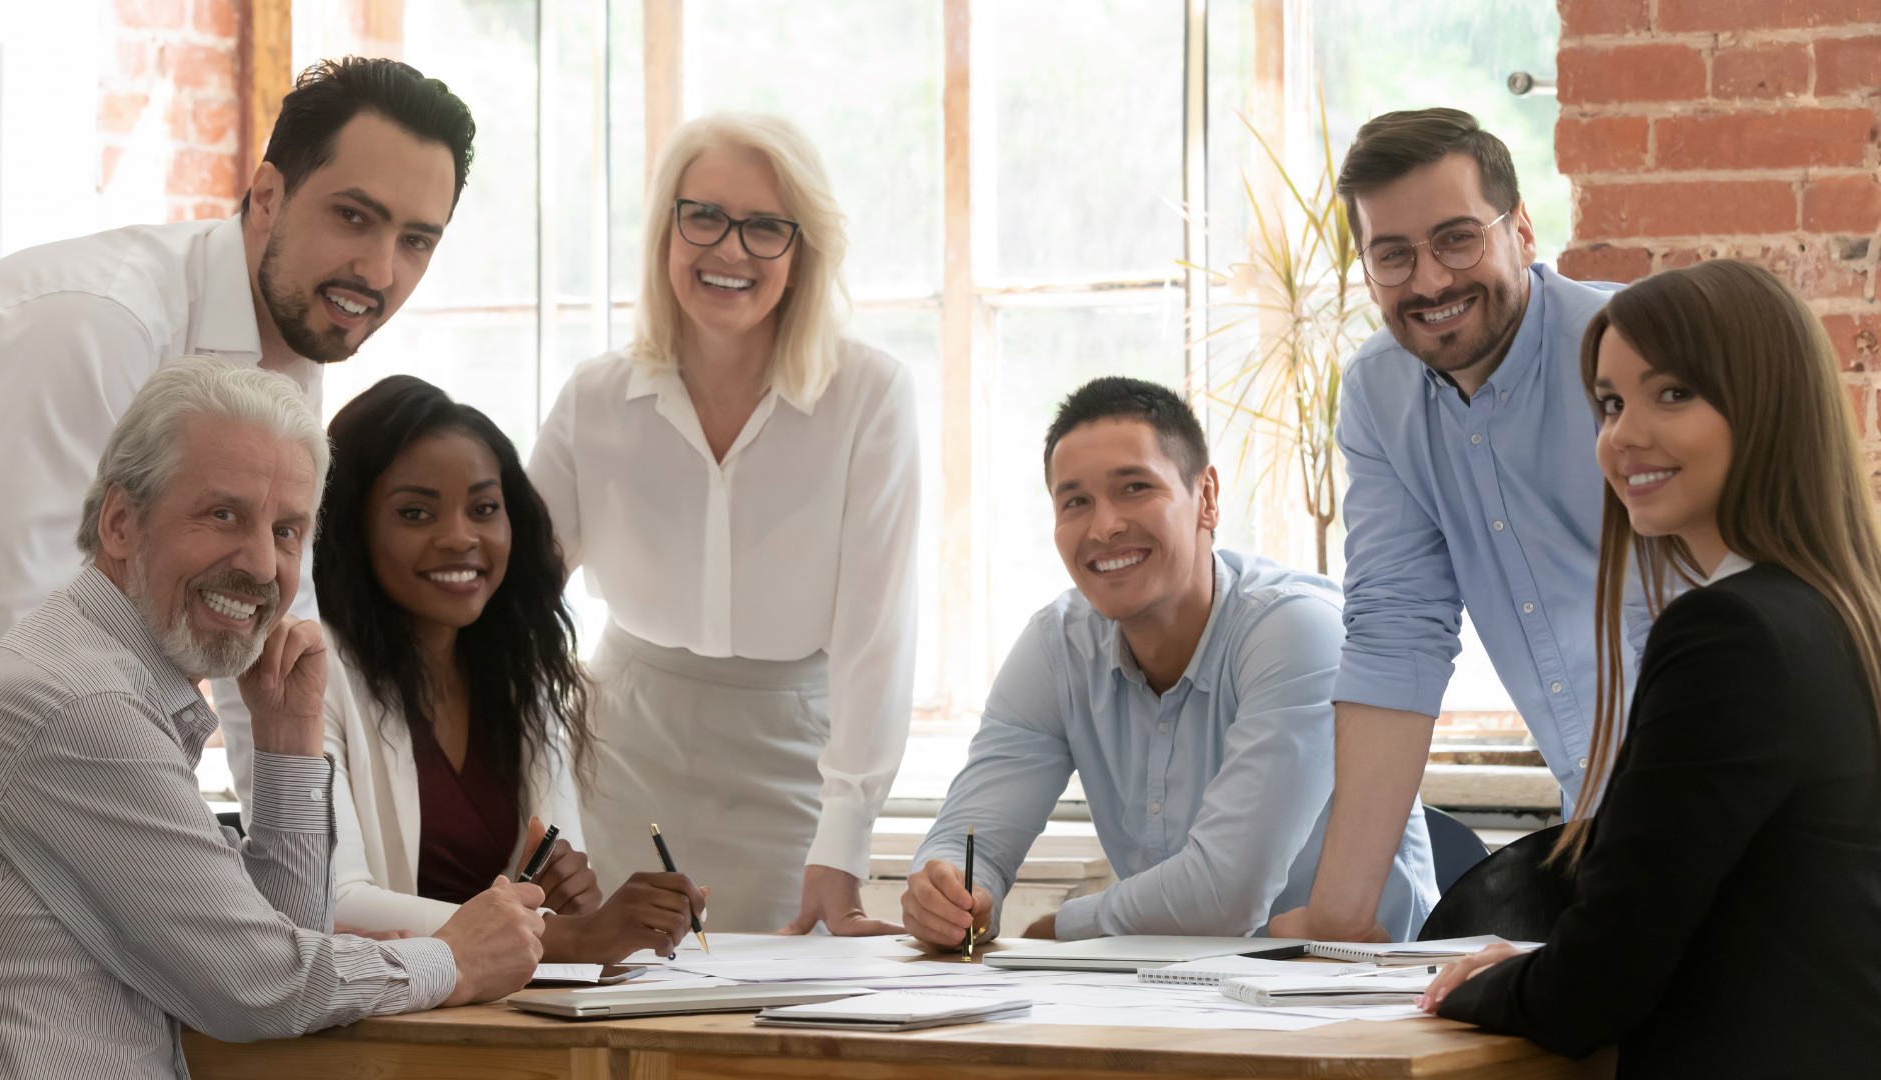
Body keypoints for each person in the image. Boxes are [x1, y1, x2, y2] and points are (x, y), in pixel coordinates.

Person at [0, 359, 548, 1080]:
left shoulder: (105, 679)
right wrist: (457, 959)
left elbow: (279, 946)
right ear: (121, 523)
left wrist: (287, 746)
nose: (259, 563)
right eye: (223, 515)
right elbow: (256, 985)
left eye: (286, 530)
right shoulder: (82, 706)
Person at [0, 56, 476, 812]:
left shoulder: (293, 353)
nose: (378, 269)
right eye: (353, 216)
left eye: (415, 241)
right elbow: (14, 649)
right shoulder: (99, 326)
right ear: (268, 196)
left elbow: (270, 643)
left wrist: (321, 880)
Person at [1417, 260, 1881, 1074]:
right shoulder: (1840, 613)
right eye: (1609, 402)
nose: (1623, 435)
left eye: (1672, 394)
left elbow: (1598, 981)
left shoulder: (1730, 633)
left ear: (1767, 406)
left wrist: (1473, 989)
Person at [528, 112, 920, 934]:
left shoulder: (870, 396)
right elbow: (511, 613)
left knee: (765, 1033)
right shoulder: (594, 398)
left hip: (792, 769)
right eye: (702, 215)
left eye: (765, 228)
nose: (729, 250)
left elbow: (876, 639)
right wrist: (538, 795)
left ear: (802, 249)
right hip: (618, 755)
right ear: (666, 227)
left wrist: (844, 845)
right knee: (617, 1028)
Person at [1269, 108, 1639, 944]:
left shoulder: (1631, 353)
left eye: (1458, 239)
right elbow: (1398, 633)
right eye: (1392, 254)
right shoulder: (1378, 395)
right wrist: (1339, 917)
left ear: (1523, 232)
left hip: (1738, 810)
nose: (1429, 280)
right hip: (1604, 833)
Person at [900, 378, 1438, 946]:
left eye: (1134, 487)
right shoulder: (1056, 646)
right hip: (1180, 996)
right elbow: (975, 837)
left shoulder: (1298, 629)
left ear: (1206, 497)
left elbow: (1225, 892)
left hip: (1363, 993)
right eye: (1075, 501)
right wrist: (954, 893)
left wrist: (1058, 927)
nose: (1103, 526)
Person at [316, 375, 706, 960]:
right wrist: (565, 935)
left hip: (502, 1009)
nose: (459, 536)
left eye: (484, 508)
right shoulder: (313, 667)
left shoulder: (521, 671)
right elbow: (333, 901)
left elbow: (558, 887)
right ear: (352, 525)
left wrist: (568, 898)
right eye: (416, 513)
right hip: (381, 1014)